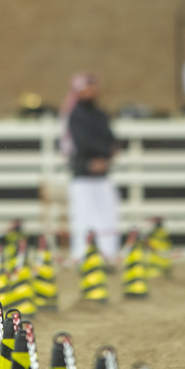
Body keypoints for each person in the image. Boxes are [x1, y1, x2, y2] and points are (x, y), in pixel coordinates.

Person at [60, 73, 121, 263]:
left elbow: (112, 140)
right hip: (83, 173)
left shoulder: (100, 114)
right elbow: (82, 142)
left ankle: (107, 253)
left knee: (107, 215)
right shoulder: (75, 115)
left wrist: (105, 159)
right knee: (84, 216)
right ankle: (83, 255)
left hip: (102, 174)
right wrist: (98, 156)